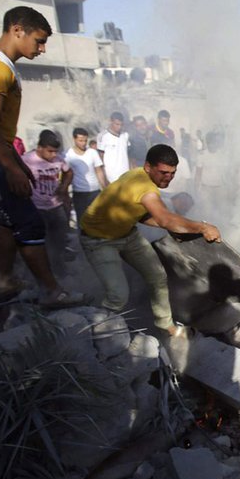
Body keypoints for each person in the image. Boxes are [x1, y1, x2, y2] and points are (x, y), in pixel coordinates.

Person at [0, 5, 84, 308]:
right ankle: (51, 291)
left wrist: (18, 163)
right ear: (17, 29)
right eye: (39, 40)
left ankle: (5, 279)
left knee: (11, 219)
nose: (43, 48)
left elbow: (0, 130)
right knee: (29, 222)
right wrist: (11, 167)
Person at [79, 144, 220, 337]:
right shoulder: (145, 188)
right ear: (148, 167)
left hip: (127, 234)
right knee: (118, 297)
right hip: (98, 240)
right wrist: (203, 227)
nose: (168, 178)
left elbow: (140, 215)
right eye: (163, 172)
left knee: (158, 277)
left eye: (172, 173)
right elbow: (165, 218)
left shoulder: (138, 175)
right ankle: (101, 333)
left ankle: (166, 326)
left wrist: (170, 226)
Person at [22, 130, 73, 277]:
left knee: (59, 242)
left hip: (56, 207)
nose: (53, 155)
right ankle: (39, 274)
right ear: (40, 148)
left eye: (55, 152)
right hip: (36, 209)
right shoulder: (26, 160)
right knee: (39, 244)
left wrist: (63, 187)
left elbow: (69, 172)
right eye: (50, 151)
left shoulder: (59, 159)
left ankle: (60, 272)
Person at [65, 127, 107, 221]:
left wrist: (104, 188)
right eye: (80, 140)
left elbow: (99, 171)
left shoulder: (92, 152)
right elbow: (66, 174)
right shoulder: (68, 155)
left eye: (85, 140)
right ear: (74, 139)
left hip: (95, 191)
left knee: (98, 219)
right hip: (79, 193)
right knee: (82, 220)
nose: (83, 143)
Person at [97, 111, 130, 184]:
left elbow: (128, 154)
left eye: (121, 124)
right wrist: (104, 177)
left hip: (126, 174)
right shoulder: (103, 136)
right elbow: (100, 158)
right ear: (111, 121)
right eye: (117, 124)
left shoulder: (125, 135)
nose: (119, 127)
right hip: (111, 176)